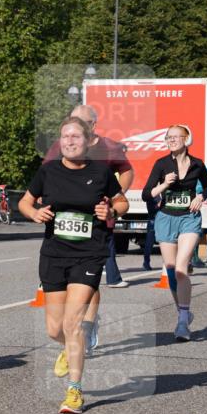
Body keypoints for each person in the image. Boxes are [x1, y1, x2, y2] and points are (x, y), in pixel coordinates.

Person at [19, 116, 128, 414]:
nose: (69, 141)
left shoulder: (101, 173)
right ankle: (69, 348)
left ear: (88, 141)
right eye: (65, 136)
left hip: (89, 254)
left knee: (72, 323)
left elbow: (122, 203)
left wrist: (110, 211)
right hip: (54, 255)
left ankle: (74, 392)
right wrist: (34, 213)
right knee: (55, 330)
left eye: (75, 137)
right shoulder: (48, 171)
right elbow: (25, 202)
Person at [44, 105, 134, 353]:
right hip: (64, 229)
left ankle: (88, 324)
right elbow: (47, 172)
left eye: (79, 122)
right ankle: (75, 328)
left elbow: (127, 171)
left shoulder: (109, 147)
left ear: (93, 125)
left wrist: (116, 197)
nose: (73, 126)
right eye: (70, 120)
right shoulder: (60, 144)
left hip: (97, 224)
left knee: (90, 279)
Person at [143, 124, 207, 341]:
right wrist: (164, 184)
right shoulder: (162, 164)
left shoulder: (197, 164)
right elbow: (148, 194)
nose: (171, 140)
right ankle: (183, 311)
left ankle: (183, 322)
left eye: (176, 137)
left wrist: (201, 197)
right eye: (168, 137)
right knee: (172, 270)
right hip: (166, 218)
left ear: (187, 139)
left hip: (189, 219)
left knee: (182, 267)